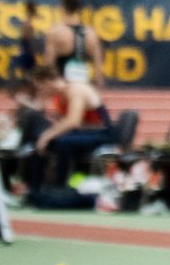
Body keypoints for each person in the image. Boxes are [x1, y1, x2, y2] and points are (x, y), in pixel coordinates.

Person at [23, 67, 112, 196]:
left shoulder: (75, 89)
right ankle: (34, 189)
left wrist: (47, 136)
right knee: (41, 141)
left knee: (61, 142)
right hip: (83, 132)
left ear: (47, 82)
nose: (41, 93)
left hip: (102, 133)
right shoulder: (59, 97)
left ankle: (59, 188)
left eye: (40, 88)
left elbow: (73, 121)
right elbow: (66, 123)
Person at [44, 0, 104, 85]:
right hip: (83, 85)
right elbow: (98, 64)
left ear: (62, 7)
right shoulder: (91, 33)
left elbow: (49, 63)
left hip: (62, 85)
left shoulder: (55, 32)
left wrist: (49, 84)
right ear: (79, 9)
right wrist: (97, 84)